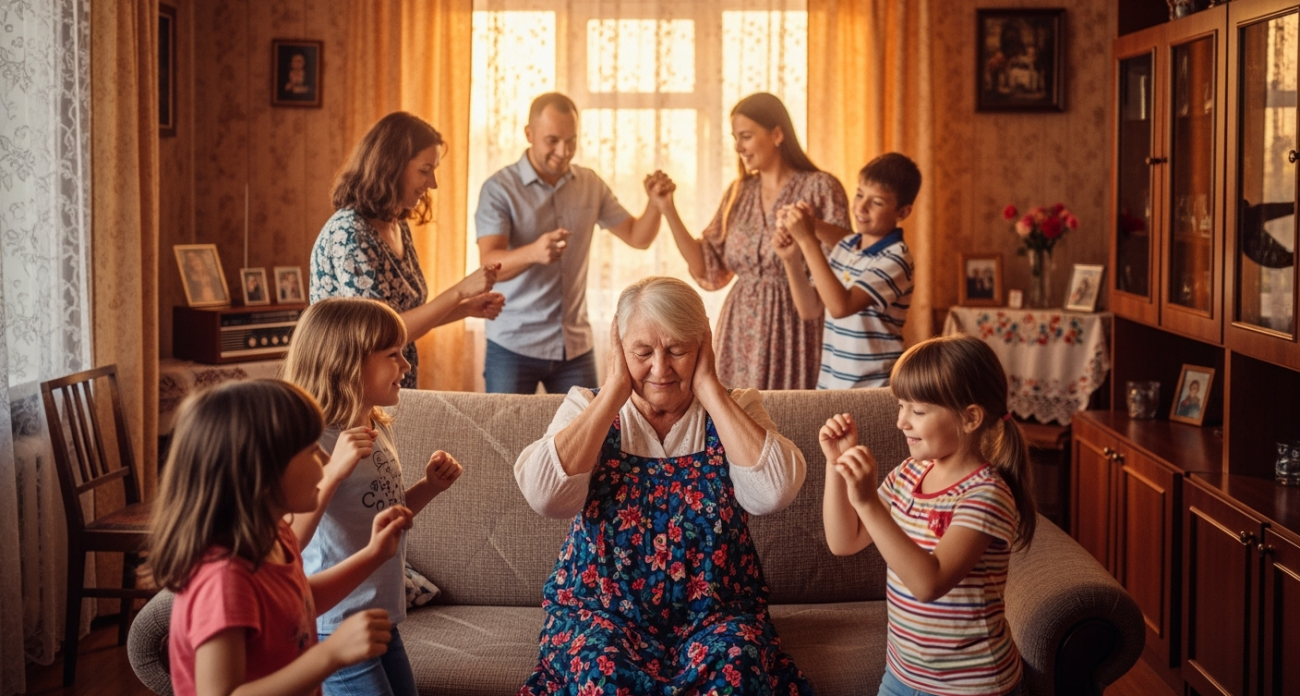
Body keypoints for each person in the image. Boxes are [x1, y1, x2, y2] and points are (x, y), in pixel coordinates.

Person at [514, 277, 813, 693]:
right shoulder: (587, 406)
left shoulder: (736, 407)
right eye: (642, 352)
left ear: (703, 346)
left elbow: (773, 493)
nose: (660, 368)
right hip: (601, 613)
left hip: (716, 615)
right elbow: (546, 498)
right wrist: (615, 391)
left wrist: (709, 387)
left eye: (677, 350)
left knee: (737, 669)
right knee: (602, 674)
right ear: (618, 348)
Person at [147, 379, 413, 696]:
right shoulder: (224, 580)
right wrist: (330, 655)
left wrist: (374, 553)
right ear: (261, 473)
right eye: (313, 450)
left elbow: (298, 603)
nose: (328, 460)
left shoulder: (277, 536)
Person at [821, 334, 1036, 696]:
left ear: (970, 418)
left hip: (973, 685)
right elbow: (844, 542)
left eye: (917, 411)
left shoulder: (986, 495)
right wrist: (836, 465)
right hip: (902, 676)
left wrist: (869, 504)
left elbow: (928, 583)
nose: (902, 422)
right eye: (901, 406)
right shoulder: (909, 474)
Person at [281, 298, 464, 696]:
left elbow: (385, 514)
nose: (407, 365)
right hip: (335, 624)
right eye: (393, 355)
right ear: (347, 362)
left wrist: (429, 487)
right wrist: (333, 472)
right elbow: (290, 542)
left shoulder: (375, 423)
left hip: (381, 617)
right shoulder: (314, 442)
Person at [475, 92, 674, 394]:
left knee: (589, 436)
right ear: (529, 134)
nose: (563, 151)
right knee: (503, 439)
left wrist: (656, 204)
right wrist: (534, 252)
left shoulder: (590, 184)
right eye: (552, 140)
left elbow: (638, 237)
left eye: (571, 141)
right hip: (513, 344)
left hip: (574, 347)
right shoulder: (499, 188)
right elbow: (488, 265)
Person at [652, 92, 851, 390]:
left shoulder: (821, 187)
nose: (738, 147)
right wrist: (668, 208)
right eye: (735, 138)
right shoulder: (739, 192)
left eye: (745, 136)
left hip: (796, 324)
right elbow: (707, 265)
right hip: (739, 327)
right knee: (736, 419)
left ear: (777, 134)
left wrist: (811, 227)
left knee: (791, 417)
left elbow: (848, 251)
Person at [312, 111, 506, 388]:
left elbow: (404, 319)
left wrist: (464, 308)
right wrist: (460, 291)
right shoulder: (349, 233)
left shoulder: (397, 224)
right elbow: (383, 335)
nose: (433, 184)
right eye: (425, 171)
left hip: (389, 389)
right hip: (350, 393)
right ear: (390, 167)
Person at [774, 153, 919, 389]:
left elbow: (841, 307)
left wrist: (808, 239)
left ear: (902, 212)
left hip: (872, 389)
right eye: (860, 194)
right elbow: (810, 310)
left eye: (877, 202)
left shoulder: (896, 258)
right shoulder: (845, 247)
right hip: (831, 384)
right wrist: (790, 259)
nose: (861, 207)